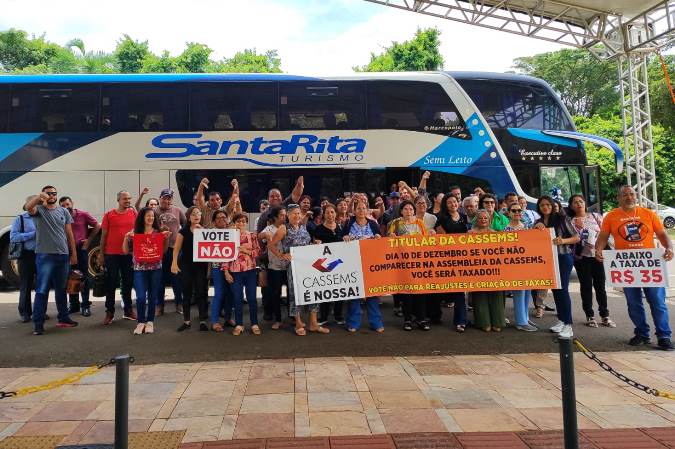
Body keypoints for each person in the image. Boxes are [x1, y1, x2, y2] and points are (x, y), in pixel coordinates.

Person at [595, 186, 673, 350]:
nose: (629, 197)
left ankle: (664, 336)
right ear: (619, 198)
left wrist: (669, 247)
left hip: (650, 265)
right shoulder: (611, 216)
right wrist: (598, 250)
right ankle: (642, 333)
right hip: (626, 267)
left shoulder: (648, 214)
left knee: (657, 301)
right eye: (625, 195)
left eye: (632, 194)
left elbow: (662, 234)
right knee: (633, 302)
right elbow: (602, 237)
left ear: (636, 196)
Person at [24, 186, 78, 335]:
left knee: (61, 289)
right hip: (45, 256)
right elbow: (28, 206)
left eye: (54, 193)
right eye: (49, 193)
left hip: (63, 255)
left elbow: (69, 234)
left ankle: (63, 318)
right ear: (43, 195)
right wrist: (39, 197)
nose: (52, 195)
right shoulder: (39, 210)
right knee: (42, 290)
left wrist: (73, 254)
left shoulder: (63, 211)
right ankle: (38, 323)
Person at [269, 204, 329, 336]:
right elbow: (271, 245)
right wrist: (281, 255)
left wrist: (315, 243)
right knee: (295, 294)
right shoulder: (284, 228)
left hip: (309, 265)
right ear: (288, 216)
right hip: (294, 266)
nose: (297, 215)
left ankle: (313, 323)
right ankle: (298, 322)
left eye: (298, 213)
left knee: (313, 291)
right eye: (294, 213)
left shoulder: (303, 227)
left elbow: (306, 244)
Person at [534, 195, 580, 339]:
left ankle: (568, 325)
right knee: (555, 289)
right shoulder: (538, 222)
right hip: (547, 260)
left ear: (553, 205)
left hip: (563, 257)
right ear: (539, 207)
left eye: (548, 204)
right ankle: (561, 320)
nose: (545, 207)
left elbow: (576, 237)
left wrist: (563, 240)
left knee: (563, 290)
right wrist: (536, 228)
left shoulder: (561, 219)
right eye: (542, 205)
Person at [568, 194, 615, 329]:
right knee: (586, 285)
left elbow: (606, 233)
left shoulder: (596, 216)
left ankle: (605, 315)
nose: (579, 204)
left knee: (600, 286)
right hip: (582, 258)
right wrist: (579, 227)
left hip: (597, 255)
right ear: (571, 206)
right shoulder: (570, 221)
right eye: (575, 202)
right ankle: (590, 315)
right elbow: (573, 239)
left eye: (581, 201)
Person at [123, 207, 170, 335]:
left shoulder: (158, 232)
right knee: (140, 297)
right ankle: (140, 322)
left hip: (156, 269)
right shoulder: (136, 232)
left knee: (153, 296)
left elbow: (164, 251)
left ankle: (150, 321)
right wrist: (126, 238)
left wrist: (165, 239)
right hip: (139, 269)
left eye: (153, 216)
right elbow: (126, 251)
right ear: (142, 218)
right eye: (148, 216)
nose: (151, 218)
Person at [342, 201, 383, 333]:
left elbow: (381, 241)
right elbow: (340, 238)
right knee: (354, 293)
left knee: (372, 293)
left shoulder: (373, 224)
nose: (361, 211)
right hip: (352, 263)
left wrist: (378, 237)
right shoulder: (348, 224)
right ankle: (353, 322)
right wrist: (345, 237)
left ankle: (376, 322)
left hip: (370, 263)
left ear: (367, 211)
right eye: (358, 208)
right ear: (354, 211)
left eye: (364, 208)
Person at [388, 200, 429, 331]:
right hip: (402, 264)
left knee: (420, 292)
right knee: (406, 293)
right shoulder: (395, 223)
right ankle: (407, 319)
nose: (409, 211)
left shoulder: (419, 223)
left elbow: (426, 239)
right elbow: (388, 239)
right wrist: (391, 237)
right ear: (401, 211)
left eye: (411, 209)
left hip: (418, 263)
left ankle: (421, 318)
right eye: (406, 209)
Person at [98, 191, 137, 325]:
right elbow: (103, 236)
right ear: (118, 200)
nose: (128, 201)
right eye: (125, 198)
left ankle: (128, 310)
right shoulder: (109, 215)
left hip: (128, 255)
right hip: (111, 254)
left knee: (127, 283)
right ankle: (110, 312)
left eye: (129, 198)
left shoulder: (133, 213)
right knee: (111, 283)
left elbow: (138, 232)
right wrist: (101, 254)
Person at [59, 196, 100, 317]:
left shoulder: (83, 214)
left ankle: (85, 305)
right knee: (71, 278)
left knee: (84, 278)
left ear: (72, 203)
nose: (66, 207)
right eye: (63, 206)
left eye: (67, 204)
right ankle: (74, 305)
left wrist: (89, 240)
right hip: (66, 251)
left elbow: (97, 226)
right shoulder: (60, 216)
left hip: (81, 250)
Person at [223, 213, 261, 336]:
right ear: (234, 223)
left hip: (250, 271)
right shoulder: (229, 236)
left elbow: (258, 252)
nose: (241, 224)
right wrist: (226, 272)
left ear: (246, 222)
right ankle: (239, 324)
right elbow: (225, 255)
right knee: (237, 299)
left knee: (251, 298)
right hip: (235, 272)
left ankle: (254, 323)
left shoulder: (252, 236)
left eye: (243, 221)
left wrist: (247, 251)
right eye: (238, 221)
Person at [434, 194, 469, 332]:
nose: (453, 204)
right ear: (445, 205)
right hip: (446, 259)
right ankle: (435, 316)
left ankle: (461, 321)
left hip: (462, 259)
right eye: (449, 202)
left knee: (460, 291)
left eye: (454, 201)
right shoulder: (441, 218)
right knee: (441, 291)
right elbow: (442, 238)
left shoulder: (464, 217)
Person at [172, 206, 209, 332]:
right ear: (188, 217)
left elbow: (210, 246)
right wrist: (174, 263)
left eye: (198, 213)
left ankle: (203, 320)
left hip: (201, 266)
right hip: (186, 265)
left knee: (201, 292)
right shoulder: (183, 231)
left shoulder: (205, 230)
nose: (196, 215)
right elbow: (176, 248)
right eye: (193, 214)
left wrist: (202, 231)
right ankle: (186, 321)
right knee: (186, 292)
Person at [469, 209, 506, 332]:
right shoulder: (470, 233)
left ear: (489, 220)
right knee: (480, 295)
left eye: (485, 218)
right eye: (480, 218)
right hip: (477, 269)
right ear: (476, 220)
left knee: (496, 295)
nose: (483, 220)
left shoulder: (496, 233)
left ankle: (498, 322)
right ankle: (483, 322)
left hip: (494, 269)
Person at [504, 203, 537, 332]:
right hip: (514, 265)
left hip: (526, 264)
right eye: (514, 210)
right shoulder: (506, 229)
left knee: (527, 290)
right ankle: (520, 321)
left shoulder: (526, 226)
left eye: (519, 210)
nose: (517, 212)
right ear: (509, 212)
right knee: (519, 291)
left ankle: (525, 317)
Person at [312, 203, 345, 326]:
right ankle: (324, 316)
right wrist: (316, 242)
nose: (330, 215)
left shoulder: (341, 228)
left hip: (339, 264)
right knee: (325, 291)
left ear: (335, 214)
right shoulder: (318, 229)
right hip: (324, 266)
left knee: (339, 291)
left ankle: (338, 316)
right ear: (323, 215)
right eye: (327, 212)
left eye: (332, 212)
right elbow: (313, 244)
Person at [155, 188, 186, 315]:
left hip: (175, 249)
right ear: (160, 198)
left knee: (176, 278)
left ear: (171, 200)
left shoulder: (178, 210)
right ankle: (159, 306)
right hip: (159, 250)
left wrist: (181, 236)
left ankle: (179, 303)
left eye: (169, 198)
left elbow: (185, 224)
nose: (166, 200)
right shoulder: (154, 211)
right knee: (159, 279)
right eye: (164, 198)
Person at [259, 206, 288, 330]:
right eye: (281, 215)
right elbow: (259, 236)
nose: (284, 217)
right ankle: (278, 319)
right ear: (275, 217)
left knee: (291, 294)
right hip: (274, 268)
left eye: (285, 215)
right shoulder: (269, 228)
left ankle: (293, 317)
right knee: (276, 294)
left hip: (288, 267)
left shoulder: (288, 227)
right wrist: (265, 234)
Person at [11, 197, 37, 323]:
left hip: (43, 255)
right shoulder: (20, 218)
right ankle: (25, 313)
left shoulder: (43, 216)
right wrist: (32, 234)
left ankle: (39, 311)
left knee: (42, 285)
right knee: (26, 285)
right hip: (27, 255)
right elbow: (14, 236)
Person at [209, 210, 235, 332]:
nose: (222, 220)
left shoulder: (233, 232)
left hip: (232, 267)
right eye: (218, 218)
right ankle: (214, 321)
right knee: (219, 293)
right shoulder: (210, 234)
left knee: (230, 293)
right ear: (214, 221)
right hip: (217, 267)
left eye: (224, 217)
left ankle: (228, 318)